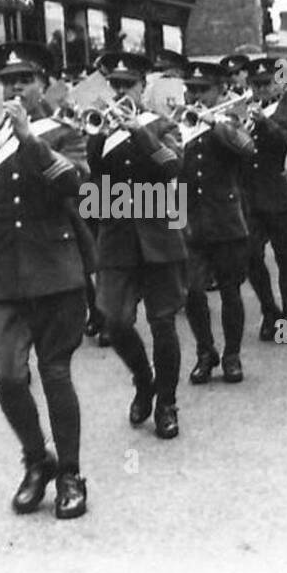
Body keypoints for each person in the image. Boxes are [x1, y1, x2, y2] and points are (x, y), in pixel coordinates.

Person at [0, 41, 90, 518]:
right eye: (6, 81)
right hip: (2, 277)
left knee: (56, 373)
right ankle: (37, 459)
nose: (14, 88)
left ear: (43, 85)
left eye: (24, 80)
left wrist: (29, 141)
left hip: (55, 271)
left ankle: (72, 474)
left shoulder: (65, 132)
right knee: (7, 376)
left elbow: (76, 186)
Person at [87, 51, 186, 439]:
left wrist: (138, 132)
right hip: (117, 238)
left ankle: (166, 402)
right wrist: (98, 133)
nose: (121, 91)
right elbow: (92, 179)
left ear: (144, 88)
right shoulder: (101, 129)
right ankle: (144, 381)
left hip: (159, 233)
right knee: (115, 320)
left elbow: (172, 166)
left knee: (163, 323)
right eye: (115, 85)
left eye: (128, 85)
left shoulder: (161, 125)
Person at [181, 60, 255, 384]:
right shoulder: (180, 124)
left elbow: (246, 148)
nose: (196, 96)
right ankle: (204, 351)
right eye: (192, 89)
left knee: (230, 291)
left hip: (225, 220)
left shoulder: (231, 120)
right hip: (189, 220)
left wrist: (213, 122)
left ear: (219, 91)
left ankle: (232, 355)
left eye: (203, 90)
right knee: (192, 292)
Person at [243, 57, 287, 343]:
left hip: (281, 196)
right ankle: (270, 311)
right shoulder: (241, 110)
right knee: (252, 256)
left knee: (285, 258)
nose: (260, 91)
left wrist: (265, 123)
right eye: (255, 85)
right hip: (251, 197)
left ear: (277, 83)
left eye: (266, 84)